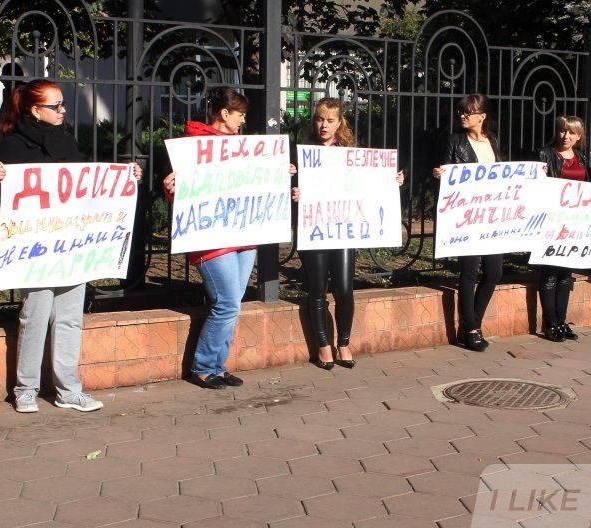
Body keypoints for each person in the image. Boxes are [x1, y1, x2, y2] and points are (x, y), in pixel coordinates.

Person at [0, 79, 142, 413]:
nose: (62, 111)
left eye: (62, 104)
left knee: (70, 317)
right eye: (55, 106)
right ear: (35, 110)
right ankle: (25, 389)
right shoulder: (12, 147)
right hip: (36, 249)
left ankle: (69, 389)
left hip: (71, 248)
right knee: (36, 315)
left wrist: (125, 176)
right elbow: (8, 202)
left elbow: (89, 184)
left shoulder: (67, 142)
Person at [163, 87, 295, 389]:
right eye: (240, 114)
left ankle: (218, 366)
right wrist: (171, 189)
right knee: (227, 304)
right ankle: (203, 367)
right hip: (211, 241)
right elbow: (179, 193)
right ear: (224, 113)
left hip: (244, 238)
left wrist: (279, 171)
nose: (243, 120)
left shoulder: (244, 147)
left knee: (232, 302)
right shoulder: (193, 144)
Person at [291, 98, 404, 370]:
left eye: (330, 120)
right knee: (317, 288)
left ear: (339, 123)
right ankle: (323, 345)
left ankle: (343, 342)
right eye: (320, 119)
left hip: (342, 231)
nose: (324, 125)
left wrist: (393, 181)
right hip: (314, 229)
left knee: (344, 288)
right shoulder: (300, 155)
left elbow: (368, 186)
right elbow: (285, 189)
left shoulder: (349, 154)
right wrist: (293, 189)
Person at [432, 93, 505, 352]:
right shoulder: (455, 141)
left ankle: (473, 324)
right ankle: (471, 329)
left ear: (482, 116)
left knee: (494, 272)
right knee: (470, 271)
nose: (462, 116)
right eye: (460, 112)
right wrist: (440, 175)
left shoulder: (493, 141)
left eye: (468, 112)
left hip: (491, 216)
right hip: (467, 217)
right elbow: (447, 173)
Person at [536, 115, 590, 342]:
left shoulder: (581, 158)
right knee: (550, 273)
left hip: (575, 223)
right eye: (562, 131)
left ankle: (561, 321)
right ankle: (550, 324)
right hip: (552, 223)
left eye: (572, 133)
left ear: (579, 137)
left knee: (566, 275)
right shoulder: (545, 154)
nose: (566, 136)